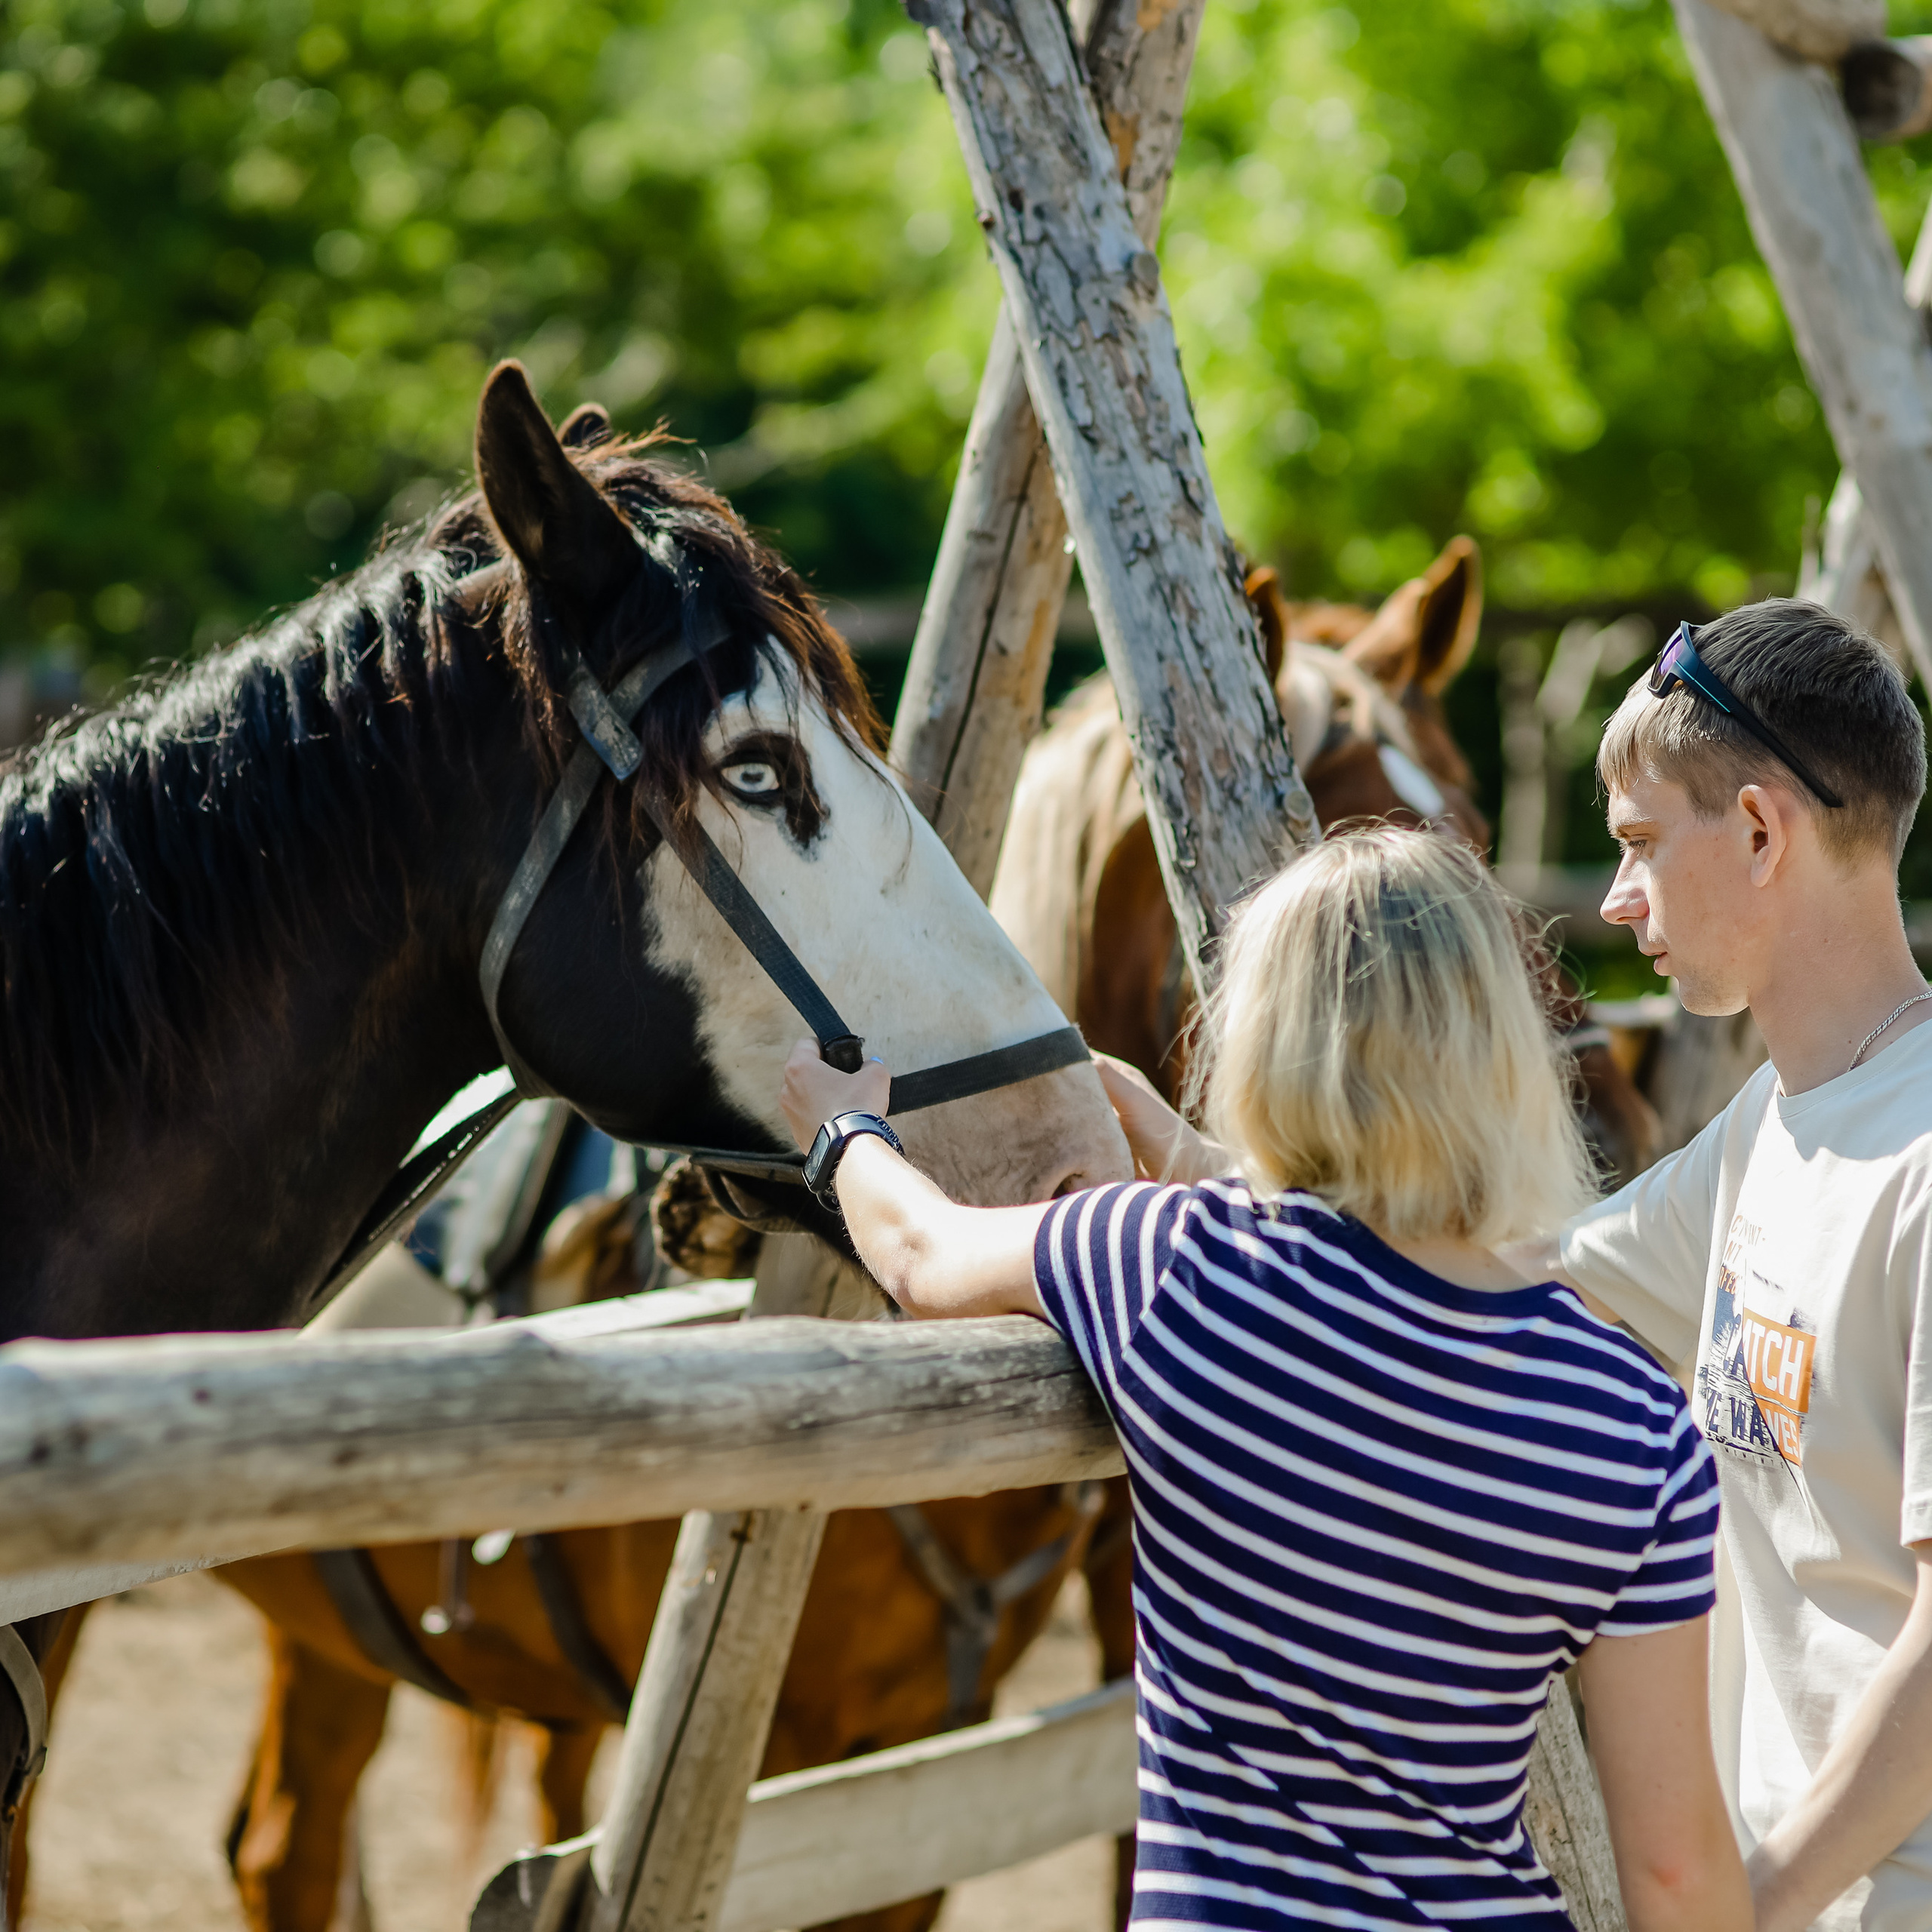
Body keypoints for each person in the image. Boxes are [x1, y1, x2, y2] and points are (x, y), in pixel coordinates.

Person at [779, 826, 1747, 1930]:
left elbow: (921, 1253)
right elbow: (1676, 1873)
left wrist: (844, 1128)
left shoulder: (1165, 1262)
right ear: (1505, 1053)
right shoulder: (1629, 1414)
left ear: (1265, 1042)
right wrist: (1189, 1154)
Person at [1518, 600, 1932, 1932]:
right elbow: (1517, 1265)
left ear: (1762, 831)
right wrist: (1186, 1173)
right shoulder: (1770, 1123)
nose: (1619, 895)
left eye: (1640, 842)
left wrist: (1749, 1903)